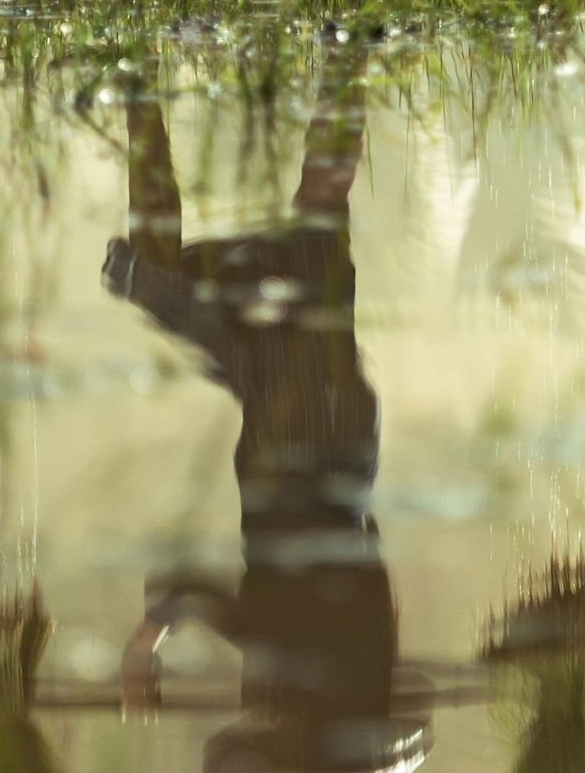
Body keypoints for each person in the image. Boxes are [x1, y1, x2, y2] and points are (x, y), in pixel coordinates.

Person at [103, 57, 427, 773]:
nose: (251, 712)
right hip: (301, 423)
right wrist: (141, 648)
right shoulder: (303, 661)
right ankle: (138, 77)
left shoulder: (343, 682)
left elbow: (406, 731)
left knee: (317, 220)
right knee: (146, 277)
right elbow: (186, 593)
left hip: (336, 424)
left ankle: (350, 41)